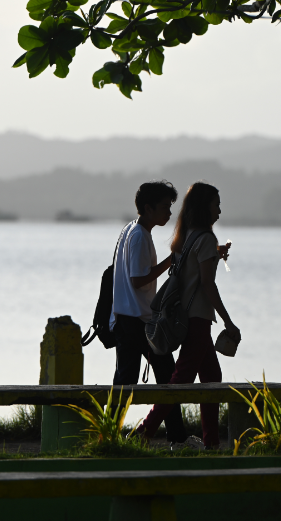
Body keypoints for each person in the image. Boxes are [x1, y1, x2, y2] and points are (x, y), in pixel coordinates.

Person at [138, 182, 240, 450]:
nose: (219, 210)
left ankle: (212, 445)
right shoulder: (205, 238)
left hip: (188, 319)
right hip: (197, 321)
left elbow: (190, 271)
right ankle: (144, 430)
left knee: (211, 380)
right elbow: (207, 285)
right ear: (205, 207)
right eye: (216, 204)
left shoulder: (187, 236)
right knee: (180, 382)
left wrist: (215, 255)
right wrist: (228, 322)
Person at [110, 180, 188, 446]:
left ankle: (108, 435)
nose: (169, 212)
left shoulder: (130, 230)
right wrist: (172, 261)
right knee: (164, 379)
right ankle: (176, 438)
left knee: (129, 381)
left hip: (129, 318)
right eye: (165, 207)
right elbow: (138, 280)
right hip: (138, 321)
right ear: (148, 207)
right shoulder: (140, 236)